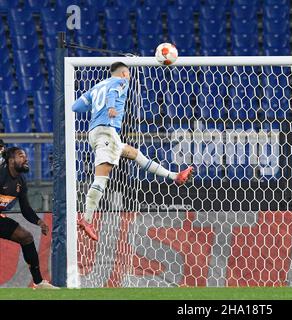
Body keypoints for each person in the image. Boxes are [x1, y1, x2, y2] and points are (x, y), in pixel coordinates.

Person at [72, 62, 193, 241]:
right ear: (123, 73)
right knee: (101, 179)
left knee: (135, 154)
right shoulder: (120, 81)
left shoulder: (97, 86)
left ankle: (175, 176)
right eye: (128, 73)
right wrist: (110, 107)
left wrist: (97, 108)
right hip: (107, 131)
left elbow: (76, 107)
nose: (129, 76)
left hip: (94, 133)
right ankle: (87, 219)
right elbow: (113, 93)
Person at [0, 147, 58, 289]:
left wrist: (39, 222)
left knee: (26, 237)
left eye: (25, 156)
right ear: (11, 160)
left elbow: (25, 208)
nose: (26, 159)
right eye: (21, 156)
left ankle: (38, 283)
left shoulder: (20, 181)